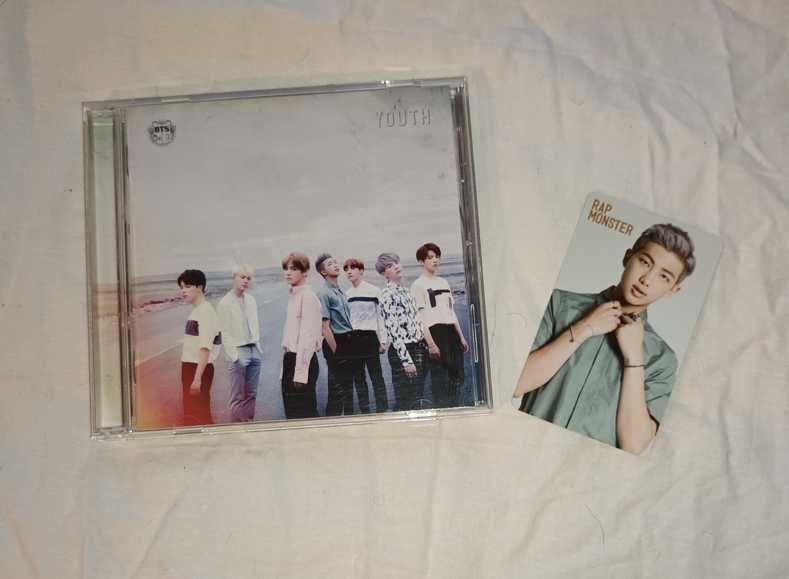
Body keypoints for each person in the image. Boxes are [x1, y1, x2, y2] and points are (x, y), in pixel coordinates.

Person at [514, 223, 696, 454]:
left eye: (664, 276)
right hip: (524, 449)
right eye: (645, 262)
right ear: (628, 257)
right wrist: (584, 327)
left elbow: (636, 446)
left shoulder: (662, 359)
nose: (647, 279)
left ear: (672, 290)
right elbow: (517, 384)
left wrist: (634, 360)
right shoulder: (558, 304)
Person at [411, 243, 469, 408]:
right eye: (430, 257)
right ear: (421, 262)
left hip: (451, 333)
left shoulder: (444, 282)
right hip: (435, 334)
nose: (435, 260)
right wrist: (431, 344)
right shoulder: (418, 285)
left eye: (437, 257)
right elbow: (420, 318)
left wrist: (461, 337)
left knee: (457, 378)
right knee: (440, 382)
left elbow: (451, 312)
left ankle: (455, 410)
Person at [376, 252, 427, 411]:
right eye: (390, 266)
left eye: (396, 263)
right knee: (405, 400)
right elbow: (393, 331)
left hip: (417, 346)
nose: (396, 267)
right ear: (384, 273)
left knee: (417, 396)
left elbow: (416, 321)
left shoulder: (405, 291)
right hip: (403, 351)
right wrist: (407, 361)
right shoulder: (386, 295)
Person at [217, 265, 262, 422]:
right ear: (234, 278)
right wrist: (235, 356)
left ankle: (248, 424)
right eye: (242, 277)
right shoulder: (225, 303)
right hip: (238, 351)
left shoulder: (251, 300)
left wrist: (257, 347)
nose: (246, 281)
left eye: (248, 278)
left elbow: (254, 324)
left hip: (254, 349)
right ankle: (237, 428)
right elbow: (224, 332)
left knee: (251, 393)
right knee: (237, 396)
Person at [280, 252, 323, 419]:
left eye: (293, 269)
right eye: (286, 269)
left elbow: (308, 337)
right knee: (292, 414)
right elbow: (291, 335)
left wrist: (300, 373)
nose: (288, 273)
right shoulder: (294, 295)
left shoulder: (308, 297)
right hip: (291, 360)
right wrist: (285, 370)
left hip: (302, 362)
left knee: (304, 415)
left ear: (305, 272)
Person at [344, 258, 388, 413]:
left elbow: (381, 317)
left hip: (370, 338)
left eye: (352, 268)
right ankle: (365, 412)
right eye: (346, 269)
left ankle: (383, 410)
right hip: (353, 340)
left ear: (361, 271)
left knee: (376, 377)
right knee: (359, 379)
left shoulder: (374, 291)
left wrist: (383, 340)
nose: (349, 272)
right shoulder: (346, 295)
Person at [177, 269, 221, 426]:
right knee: (195, 414)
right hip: (193, 367)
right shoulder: (198, 311)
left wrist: (196, 379)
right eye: (182, 287)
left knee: (196, 416)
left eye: (188, 286)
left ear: (200, 287)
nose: (183, 291)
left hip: (197, 369)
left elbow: (205, 348)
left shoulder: (205, 312)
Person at [315, 253, 356, 416]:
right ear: (323, 272)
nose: (335, 265)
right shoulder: (323, 293)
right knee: (337, 390)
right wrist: (337, 352)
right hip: (335, 342)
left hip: (348, 340)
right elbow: (325, 328)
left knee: (348, 387)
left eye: (335, 262)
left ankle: (350, 421)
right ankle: (332, 422)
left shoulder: (340, 291)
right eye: (330, 264)